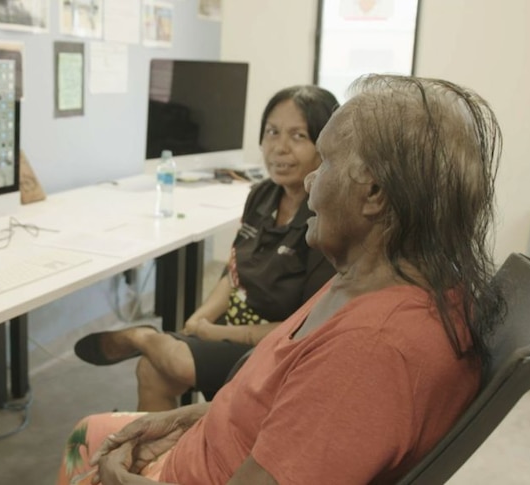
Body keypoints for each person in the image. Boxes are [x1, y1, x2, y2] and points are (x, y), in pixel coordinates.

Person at [57, 74, 505, 484]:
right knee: (91, 427)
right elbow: (282, 406)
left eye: (325, 161)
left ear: (374, 193)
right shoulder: (374, 278)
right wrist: (193, 417)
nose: (311, 181)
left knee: (87, 444)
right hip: (209, 444)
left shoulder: (371, 348)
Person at [74, 86, 339, 411]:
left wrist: (213, 334)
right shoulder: (262, 195)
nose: (279, 148)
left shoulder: (326, 219)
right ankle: (161, 460)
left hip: (279, 346)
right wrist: (198, 319)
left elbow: (305, 326)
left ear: (325, 146)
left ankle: (143, 337)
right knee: (152, 369)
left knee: (174, 361)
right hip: (231, 326)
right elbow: (234, 274)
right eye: (272, 132)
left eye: (298, 136)